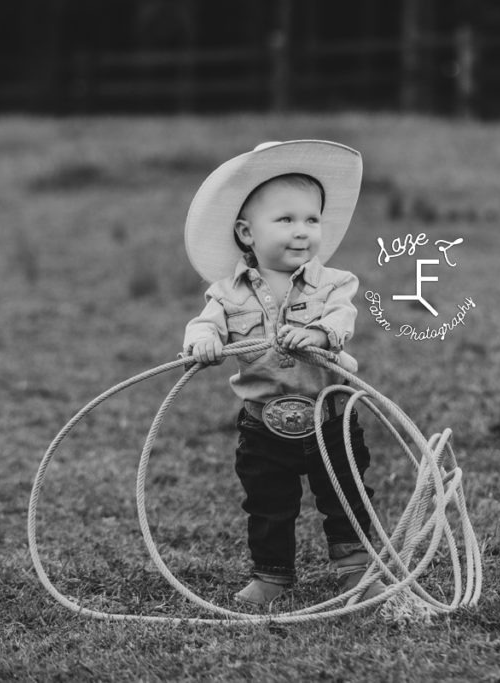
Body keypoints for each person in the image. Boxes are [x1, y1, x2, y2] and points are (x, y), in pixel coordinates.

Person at [181, 140, 385, 607]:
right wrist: (204, 342)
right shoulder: (227, 293)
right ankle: (272, 574)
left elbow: (341, 319)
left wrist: (318, 335)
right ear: (246, 232)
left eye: (312, 220)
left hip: (329, 417)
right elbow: (204, 324)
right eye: (286, 220)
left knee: (346, 495)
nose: (302, 232)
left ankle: (356, 570)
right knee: (267, 503)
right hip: (263, 422)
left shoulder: (334, 282)